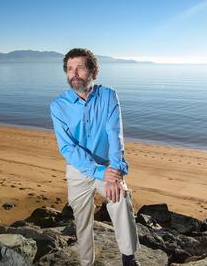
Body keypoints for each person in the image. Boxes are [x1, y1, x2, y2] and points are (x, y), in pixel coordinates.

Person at [50, 48, 140, 266]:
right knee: (82, 222)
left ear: (93, 72)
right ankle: (86, 263)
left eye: (80, 67)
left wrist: (116, 171)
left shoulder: (108, 96)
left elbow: (115, 134)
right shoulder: (58, 106)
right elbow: (68, 148)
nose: (74, 73)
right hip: (78, 171)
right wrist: (102, 173)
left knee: (121, 197)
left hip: (107, 167)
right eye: (70, 69)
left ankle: (128, 258)